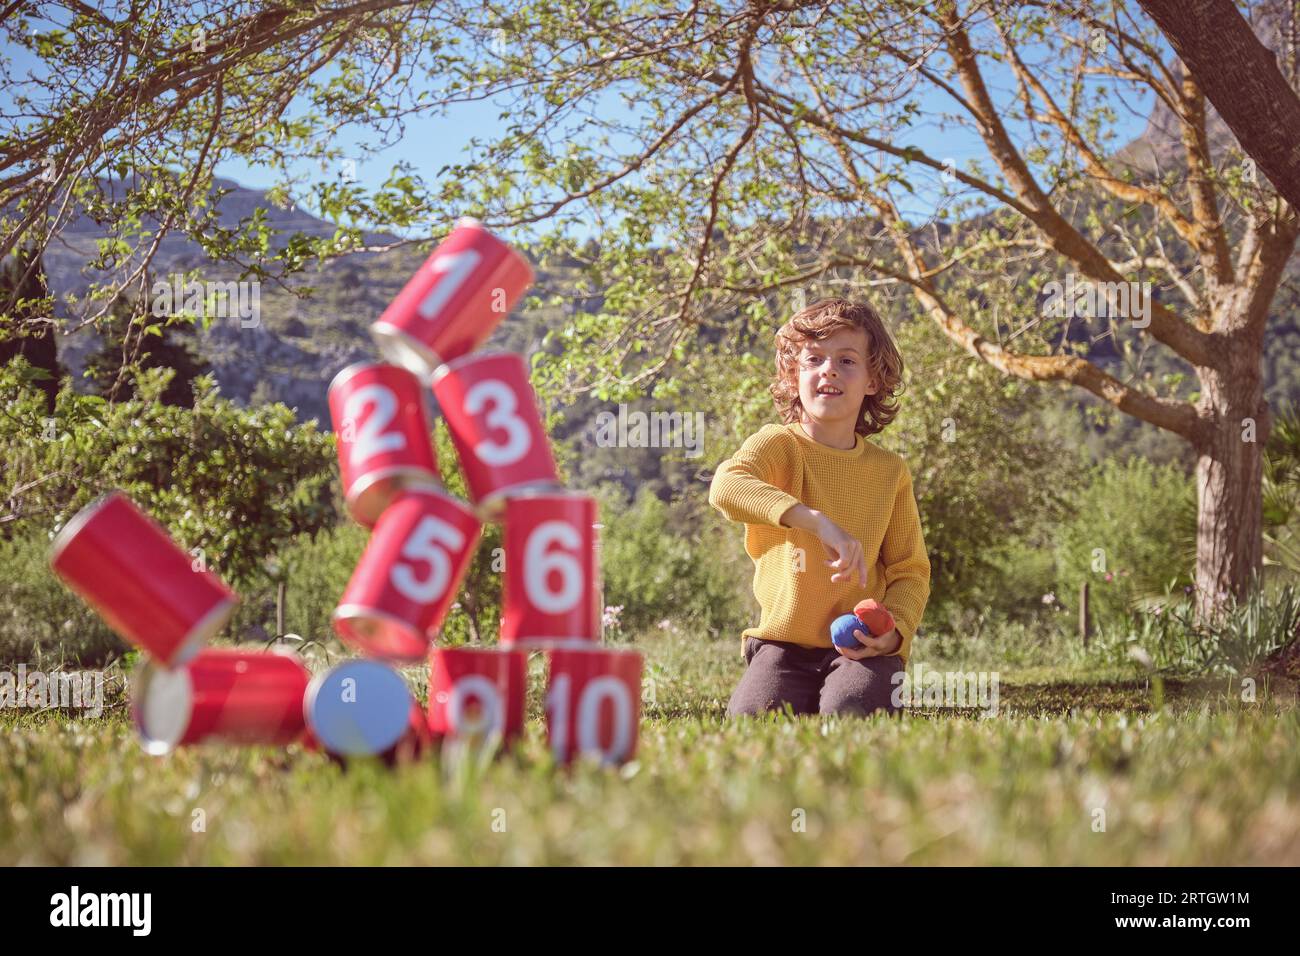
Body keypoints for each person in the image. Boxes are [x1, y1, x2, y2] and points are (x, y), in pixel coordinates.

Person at [708, 298, 931, 717]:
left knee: (852, 708)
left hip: (860, 648)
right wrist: (815, 522)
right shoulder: (777, 443)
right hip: (781, 644)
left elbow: (910, 571)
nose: (828, 370)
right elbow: (726, 485)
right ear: (795, 377)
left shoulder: (889, 471)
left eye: (847, 360)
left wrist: (895, 633)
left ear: (873, 380)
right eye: (814, 359)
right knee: (755, 719)